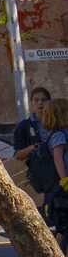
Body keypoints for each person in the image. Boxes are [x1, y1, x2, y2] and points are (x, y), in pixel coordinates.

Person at [17, 88, 55, 204]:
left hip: (58, 174)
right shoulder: (24, 126)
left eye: (44, 100)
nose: (40, 103)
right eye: (36, 100)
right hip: (37, 176)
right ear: (31, 103)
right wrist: (34, 147)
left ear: (49, 102)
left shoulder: (57, 123)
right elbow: (18, 155)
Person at [43, 100, 68, 241]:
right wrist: (65, 180)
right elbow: (58, 159)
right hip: (63, 186)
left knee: (63, 229)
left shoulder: (60, 133)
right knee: (63, 228)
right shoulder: (59, 135)